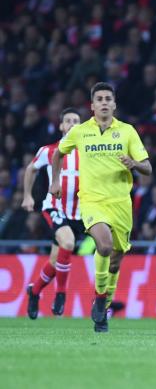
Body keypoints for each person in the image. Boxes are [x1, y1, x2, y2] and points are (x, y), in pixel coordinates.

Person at [50, 83, 152, 332]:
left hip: (121, 204)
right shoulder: (80, 132)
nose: (104, 102)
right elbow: (57, 154)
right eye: (99, 99)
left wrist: (134, 164)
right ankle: (99, 297)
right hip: (92, 201)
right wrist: (55, 181)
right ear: (92, 105)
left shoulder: (127, 132)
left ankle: (103, 309)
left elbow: (148, 168)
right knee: (104, 246)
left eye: (108, 98)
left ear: (114, 104)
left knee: (115, 261)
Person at [22, 108, 82, 319]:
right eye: (68, 121)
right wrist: (27, 196)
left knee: (56, 261)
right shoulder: (49, 150)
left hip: (80, 213)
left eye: (76, 121)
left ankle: (34, 290)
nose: (72, 124)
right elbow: (31, 169)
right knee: (68, 243)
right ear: (61, 126)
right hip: (55, 207)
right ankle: (61, 294)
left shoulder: (89, 153)